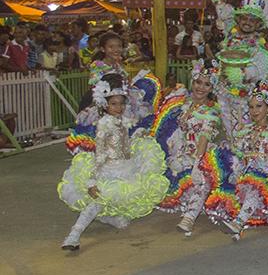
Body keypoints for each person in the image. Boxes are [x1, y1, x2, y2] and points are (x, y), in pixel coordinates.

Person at [58, 76, 169, 250]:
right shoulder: (105, 125)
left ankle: (106, 218)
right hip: (109, 170)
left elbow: (122, 145)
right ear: (105, 105)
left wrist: (137, 135)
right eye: (114, 104)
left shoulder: (121, 122)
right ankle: (73, 236)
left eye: (121, 104)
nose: (119, 108)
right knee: (98, 200)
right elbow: (100, 154)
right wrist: (92, 181)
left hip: (126, 168)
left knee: (122, 220)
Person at [212, 79, 268, 239]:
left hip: (264, 176)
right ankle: (240, 223)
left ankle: (238, 223)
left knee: (254, 183)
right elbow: (237, 153)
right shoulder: (243, 131)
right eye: (251, 107)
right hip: (242, 173)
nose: (254, 111)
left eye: (259, 106)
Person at [153, 63, 227, 235]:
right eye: (198, 82)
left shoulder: (211, 110)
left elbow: (203, 137)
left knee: (204, 178)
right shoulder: (180, 102)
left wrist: (198, 162)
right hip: (177, 152)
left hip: (200, 153)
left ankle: (189, 218)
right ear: (192, 81)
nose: (201, 87)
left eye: (207, 84)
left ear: (212, 87)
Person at [208, 0, 268, 138]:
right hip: (225, 90)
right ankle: (233, 154)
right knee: (228, 126)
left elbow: (261, 67)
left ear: (258, 24)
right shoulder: (232, 33)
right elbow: (224, 14)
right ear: (238, 20)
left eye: (252, 20)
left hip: (248, 92)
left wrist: (241, 74)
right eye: (244, 18)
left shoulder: (261, 41)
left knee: (246, 128)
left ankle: (246, 156)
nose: (247, 23)